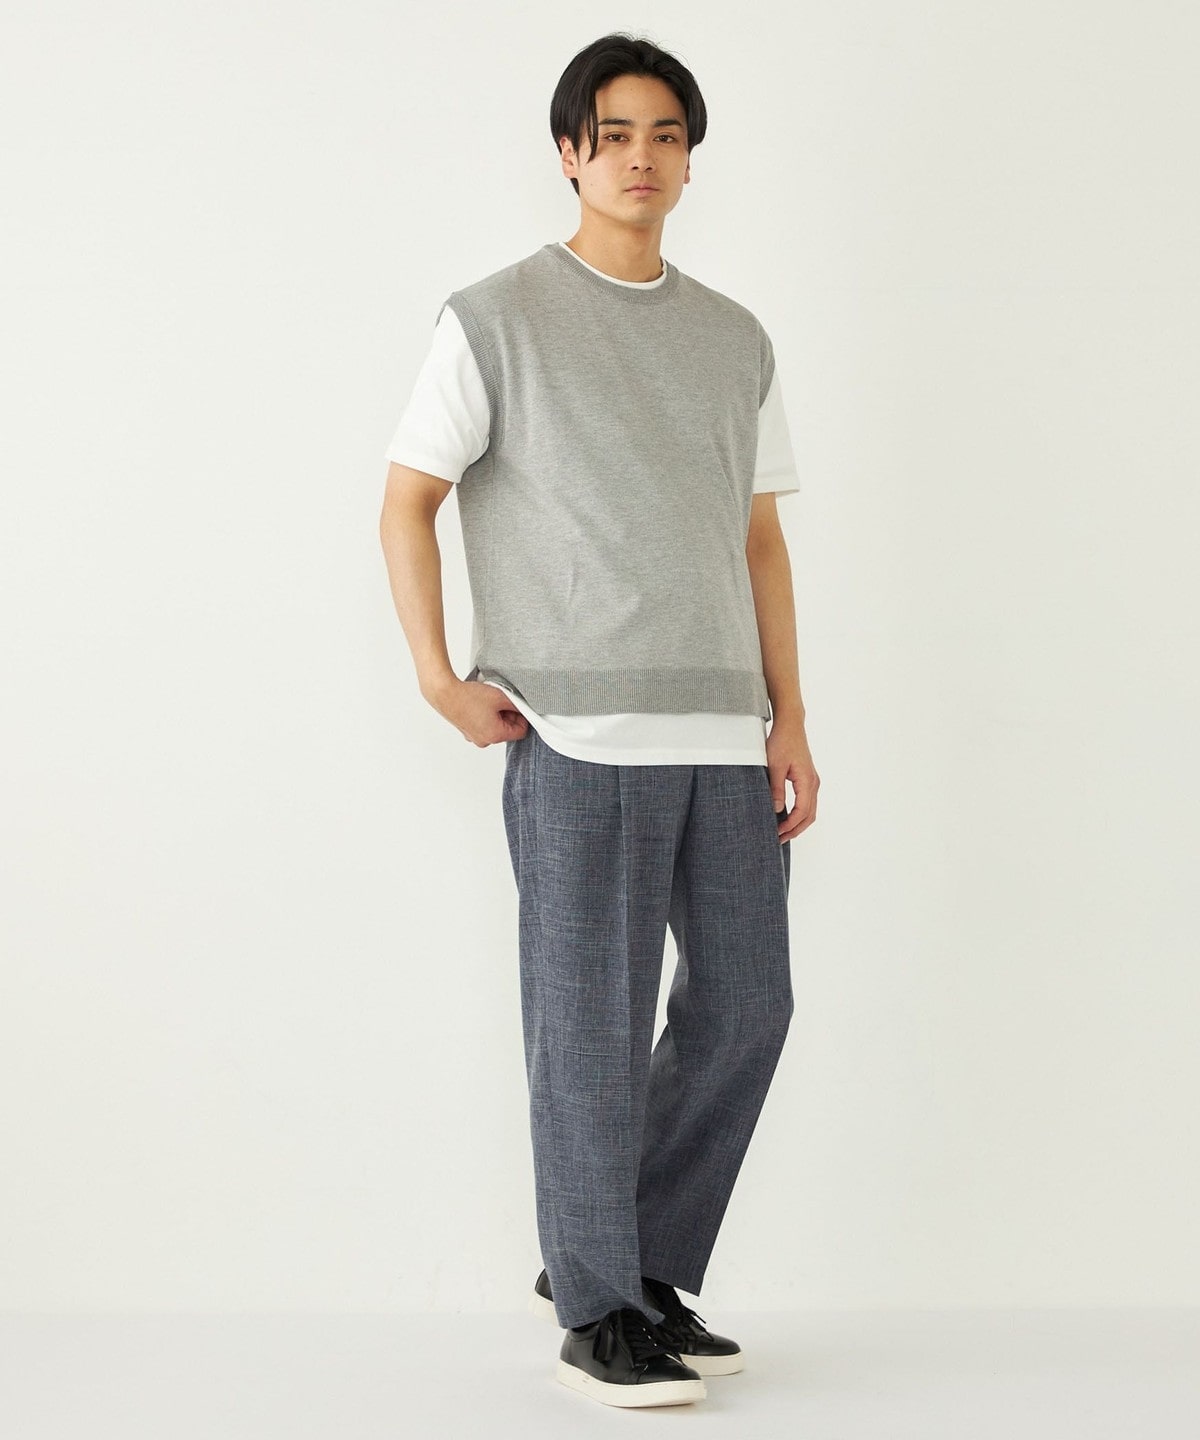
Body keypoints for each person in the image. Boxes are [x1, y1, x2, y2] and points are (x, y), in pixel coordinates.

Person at [378, 31, 819, 1410]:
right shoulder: (495, 317)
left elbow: (758, 542)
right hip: (575, 733)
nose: (642, 157)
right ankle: (597, 1306)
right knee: (591, 1031)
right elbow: (407, 500)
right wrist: (438, 676)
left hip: (723, 735)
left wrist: (791, 719)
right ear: (569, 153)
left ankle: (636, 1269)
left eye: (666, 135)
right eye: (615, 134)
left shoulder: (735, 339)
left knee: (748, 1009)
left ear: (691, 160)